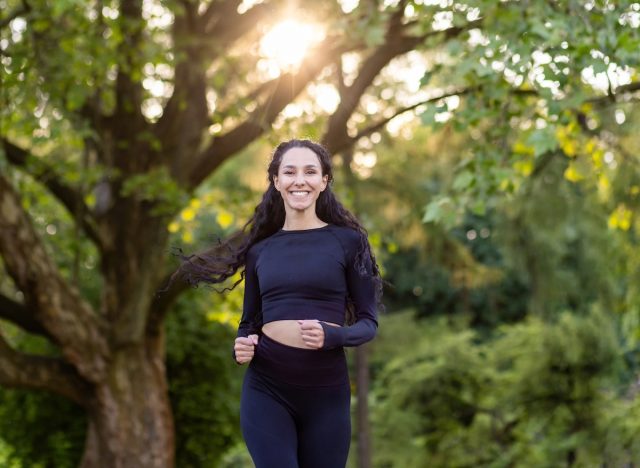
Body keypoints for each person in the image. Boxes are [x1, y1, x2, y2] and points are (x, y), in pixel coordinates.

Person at [176, 139, 382, 468]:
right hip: (267, 387)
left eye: (310, 171)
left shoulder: (348, 242)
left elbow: (369, 323)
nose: (299, 179)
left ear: (324, 180)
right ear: (276, 181)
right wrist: (240, 346)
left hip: (326, 392)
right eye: (289, 171)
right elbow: (249, 322)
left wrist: (333, 336)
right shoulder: (261, 250)